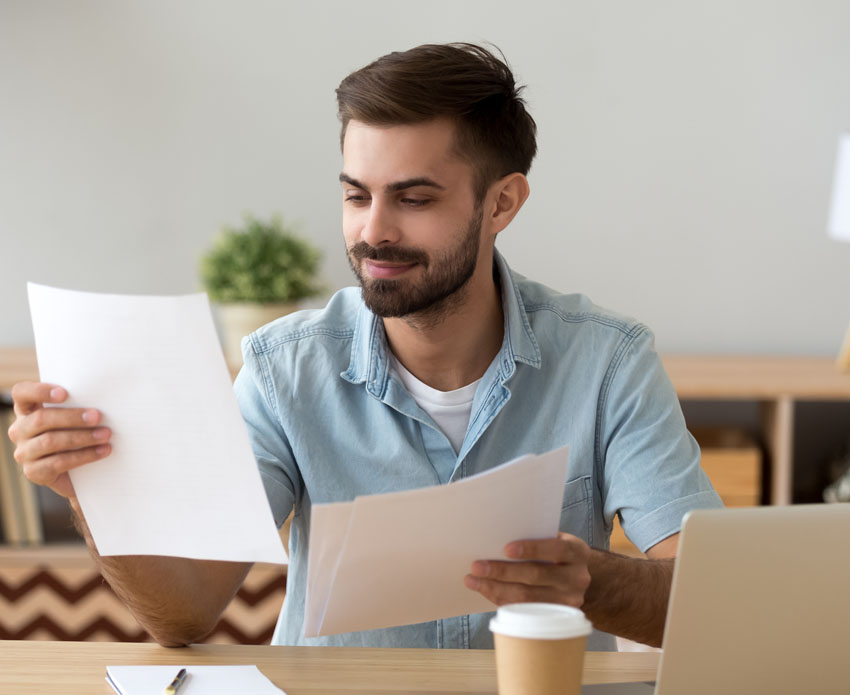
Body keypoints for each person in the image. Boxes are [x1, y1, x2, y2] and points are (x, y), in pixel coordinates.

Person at [7, 43, 722, 651]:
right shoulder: (284, 370)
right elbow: (185, 614)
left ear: (501, 203)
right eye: (356, 195)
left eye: (414, 199)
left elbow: (715, 600)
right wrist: (91, 492)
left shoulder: (608, 363)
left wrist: (594, 581)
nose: (372, 232)